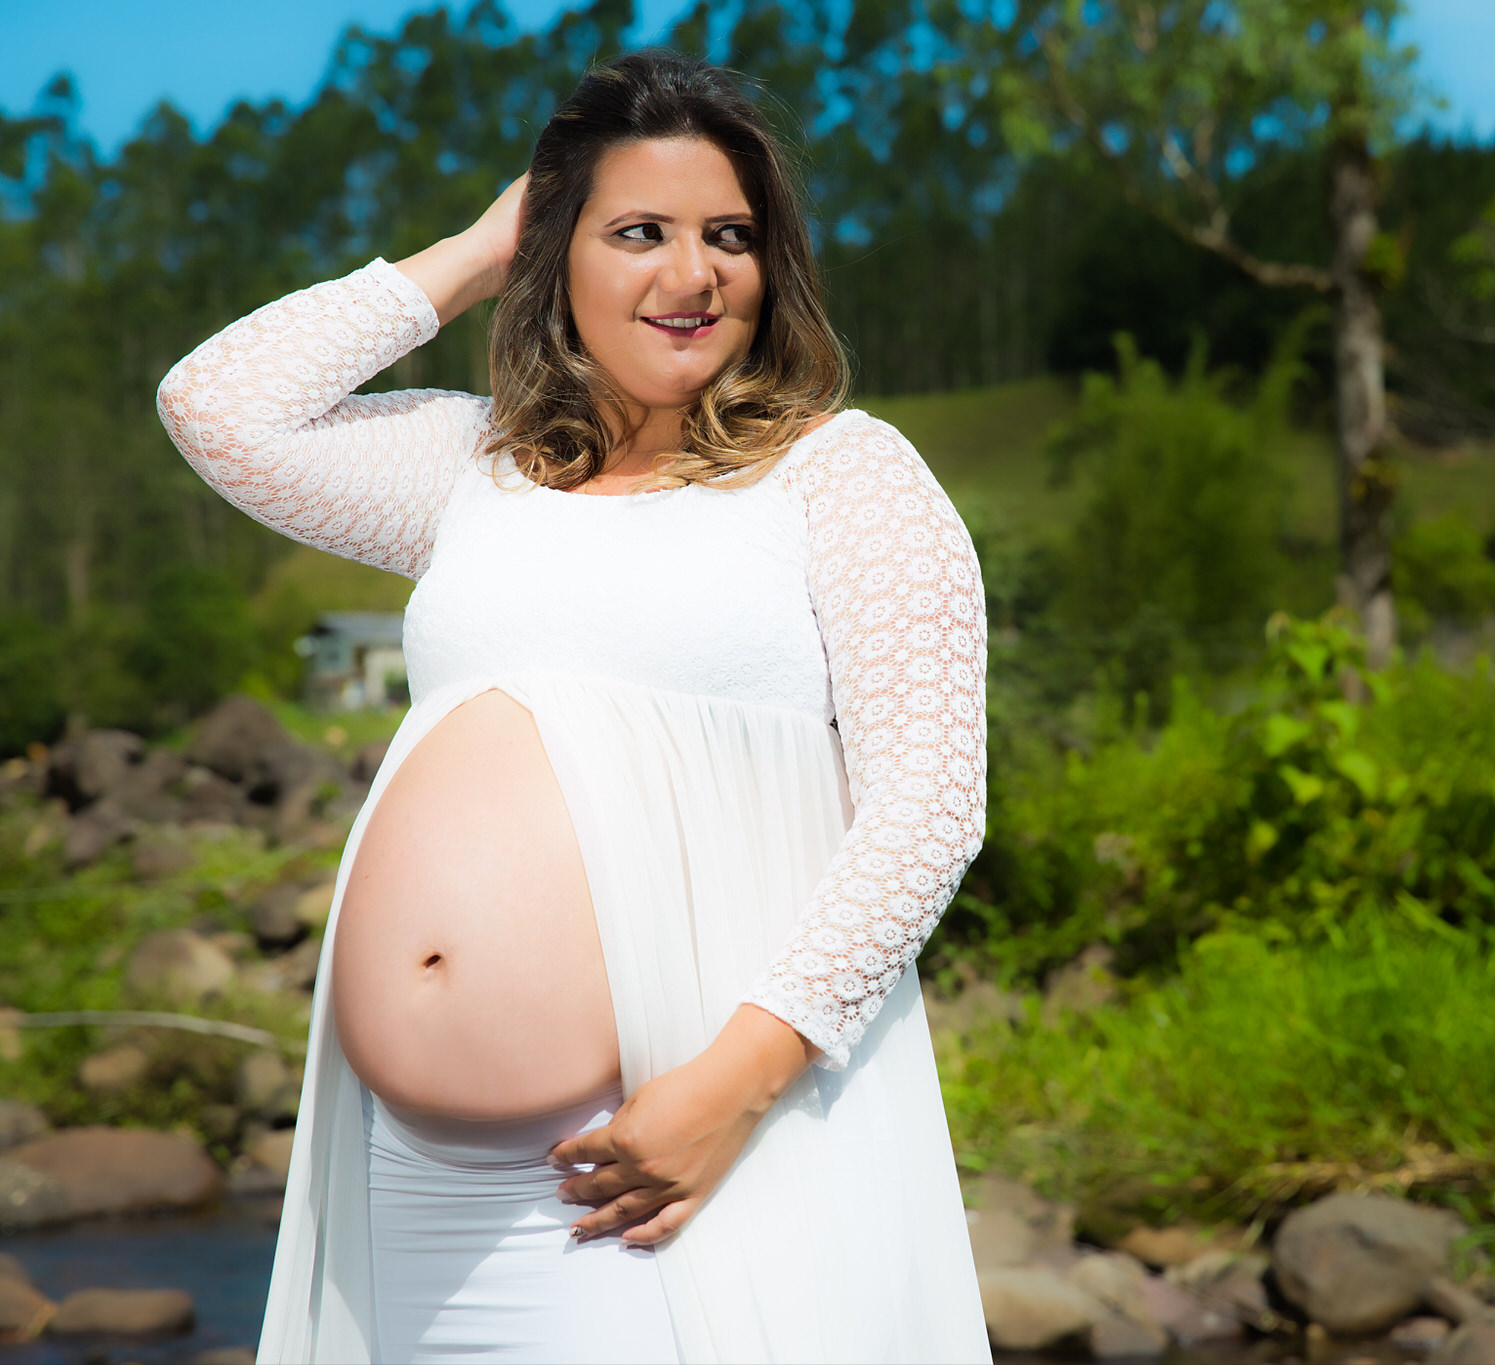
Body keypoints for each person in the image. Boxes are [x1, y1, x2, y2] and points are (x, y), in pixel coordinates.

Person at [156, 49, 990, 1365]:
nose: (693, 273)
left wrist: (731, 1090)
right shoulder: (476, 471)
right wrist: (476, 250)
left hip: (670, 1158)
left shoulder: (842, 474)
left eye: (730, 236)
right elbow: (215, 407)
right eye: (639, 232)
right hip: (415, 1186)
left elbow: (929, 809)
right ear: (558, 252)